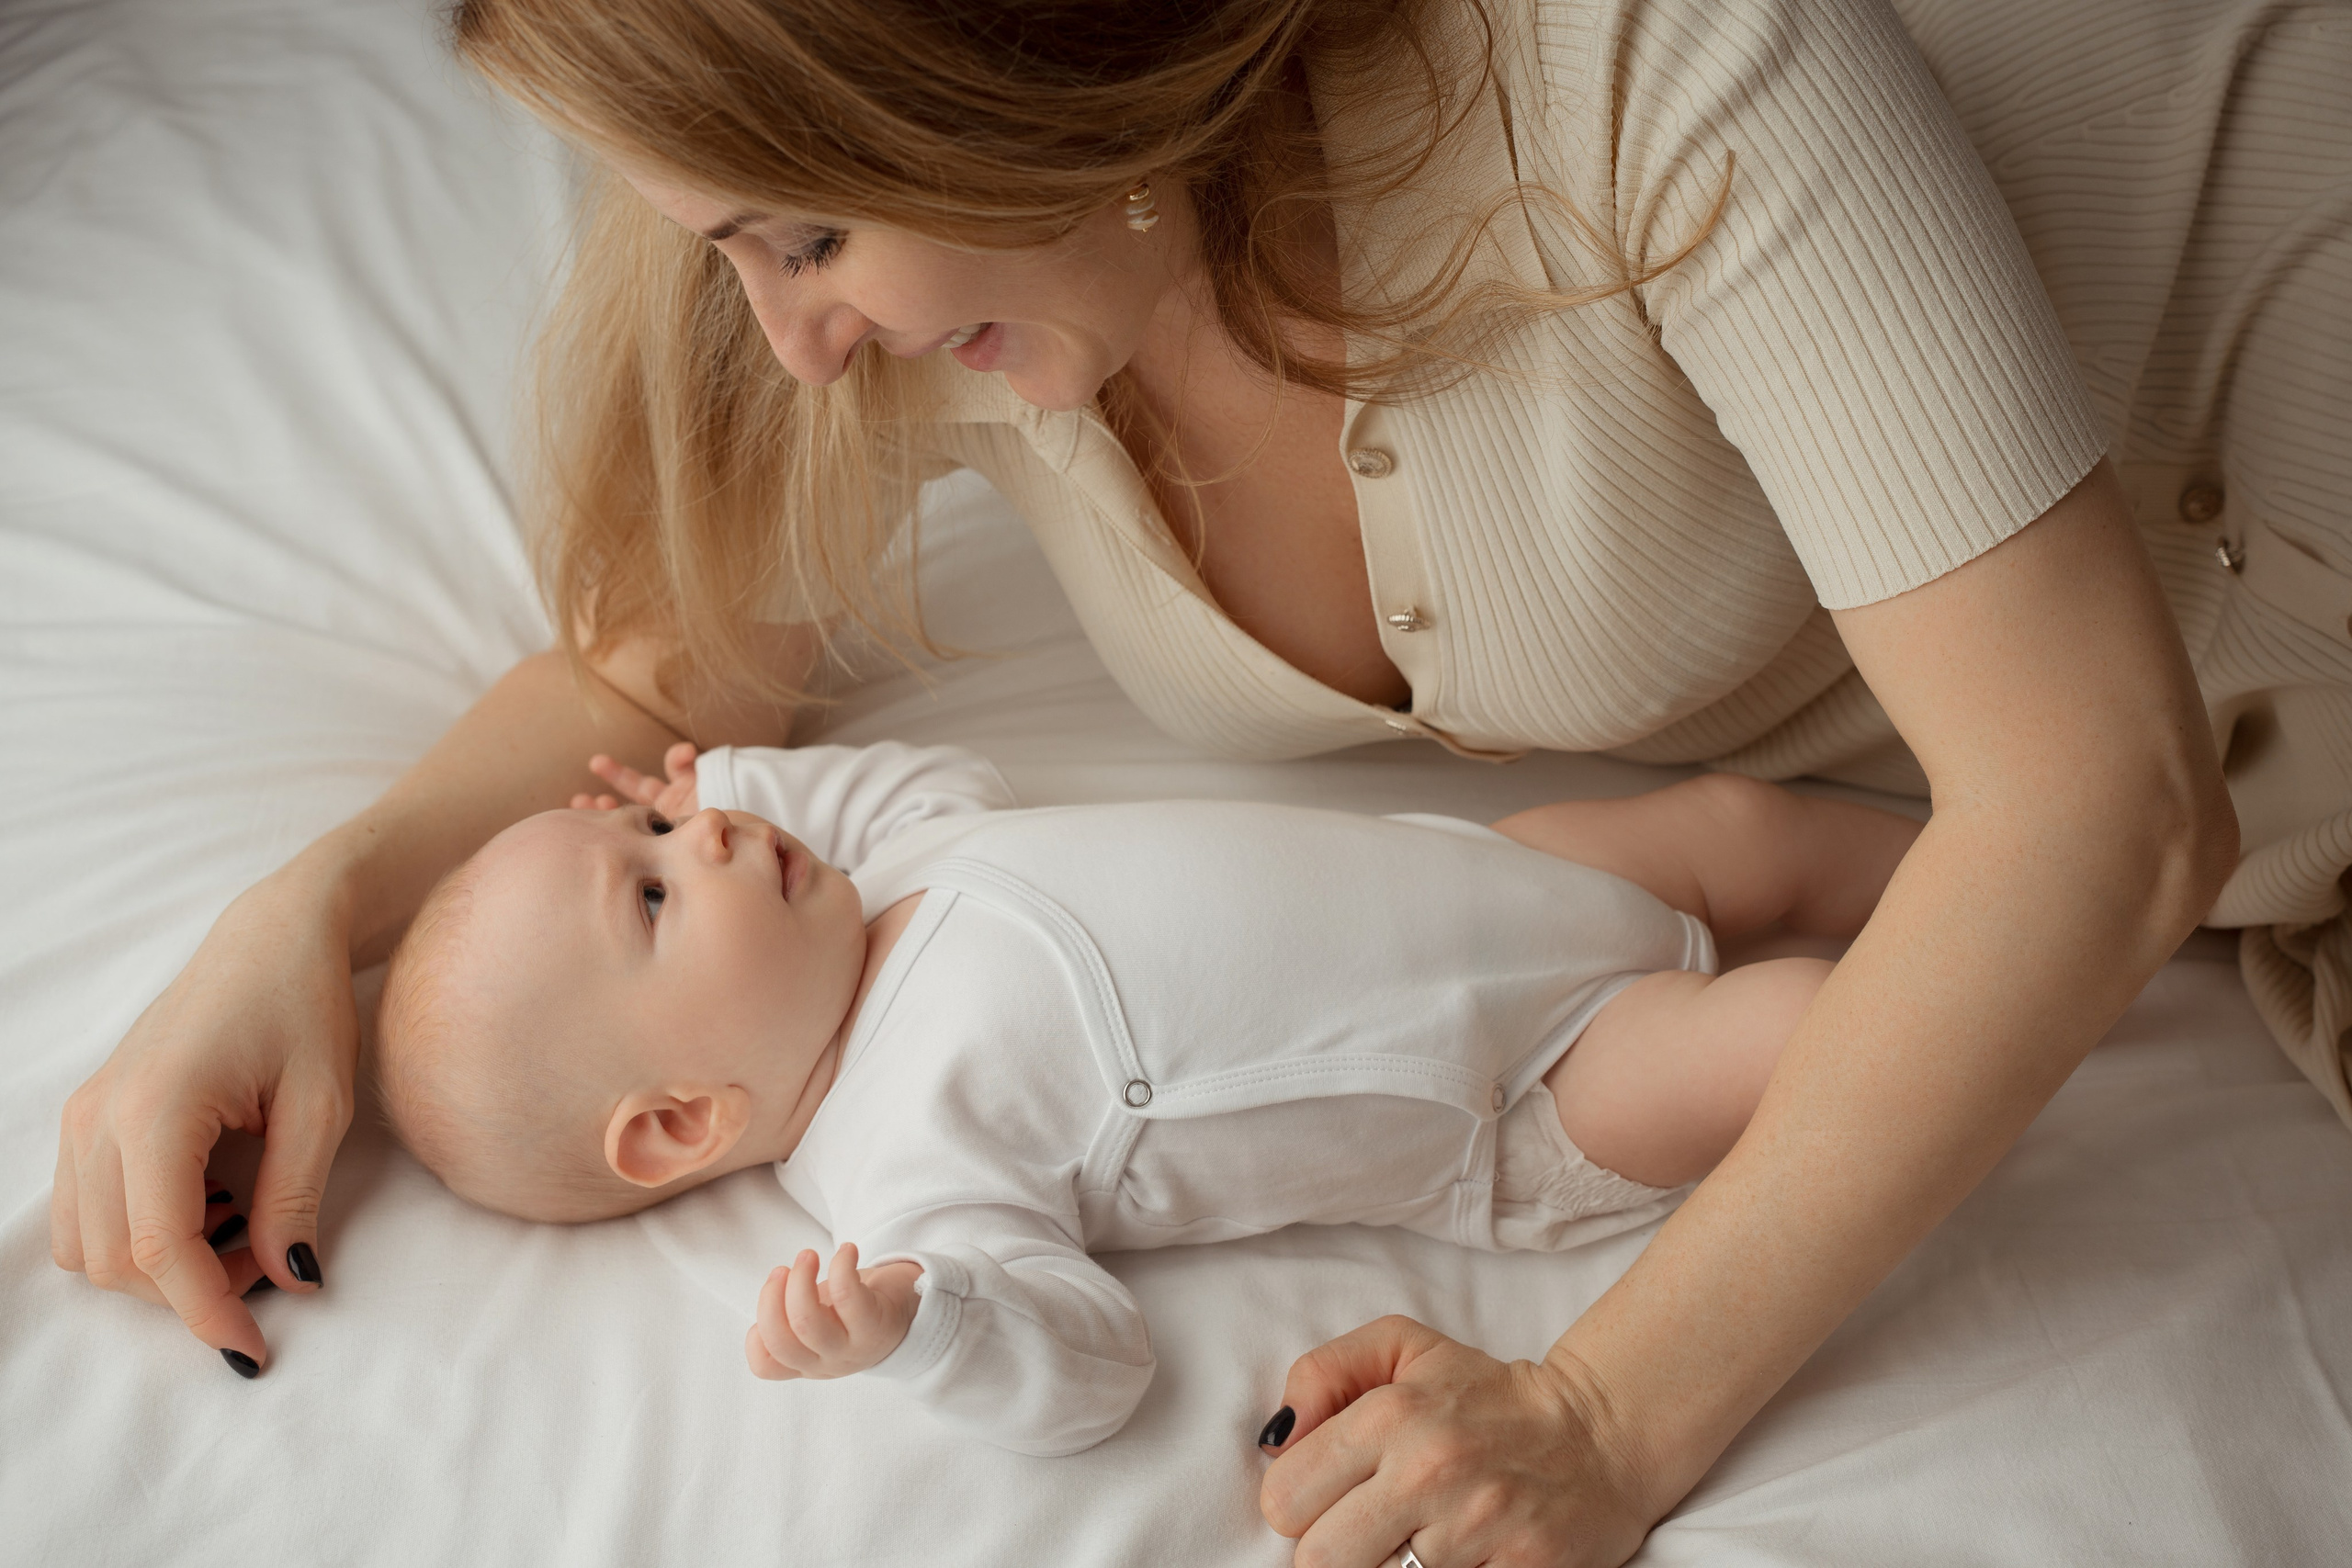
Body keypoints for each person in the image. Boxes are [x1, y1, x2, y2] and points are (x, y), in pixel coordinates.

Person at [53, 0, 2349, 1562]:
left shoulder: (1635, 55)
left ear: (983, 57)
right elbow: (645, 666)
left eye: (803, 239)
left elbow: (2097, 804)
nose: (790, 340)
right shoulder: (884, 287)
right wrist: (311, 914)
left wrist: (1599, 1412)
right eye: (729, 245)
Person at [368, 739, 1921, 1458]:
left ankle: (2046, 873)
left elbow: (872, 782)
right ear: (682, 1123)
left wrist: (723, 784)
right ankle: (2017, 975)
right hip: (1526, 1085)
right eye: (650, 894)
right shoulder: (902, 1163)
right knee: (1806, 1030)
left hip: (1493, 877)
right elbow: (1089, 1367)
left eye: (656, 834)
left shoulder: (897, 855)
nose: (697, 844)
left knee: (1742, 826)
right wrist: (930, 1326)